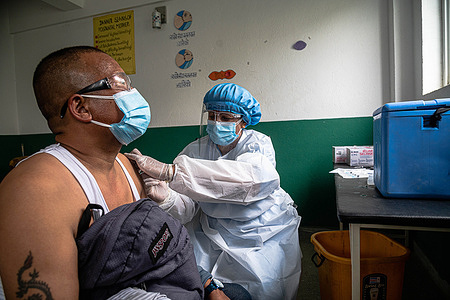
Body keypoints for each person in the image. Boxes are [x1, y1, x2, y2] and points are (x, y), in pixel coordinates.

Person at [0, 46, 214, 300]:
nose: (133, 94)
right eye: (119, 84)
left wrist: (209, 284)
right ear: (80, 107)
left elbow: (157, 249)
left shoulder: (129, 165)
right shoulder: (37, 189)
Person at [126, 83, 302, 300]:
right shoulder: (195, 150)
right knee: (199, 276)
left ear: (243, 122)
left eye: (226, 118)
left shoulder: (258, 144)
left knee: (265, 283)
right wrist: (168, 198)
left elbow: (252, 179)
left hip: (260, 228)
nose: (217, 123)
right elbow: (189, 206)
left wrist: (172, 172)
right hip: (212, 227)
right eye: (212, 115)